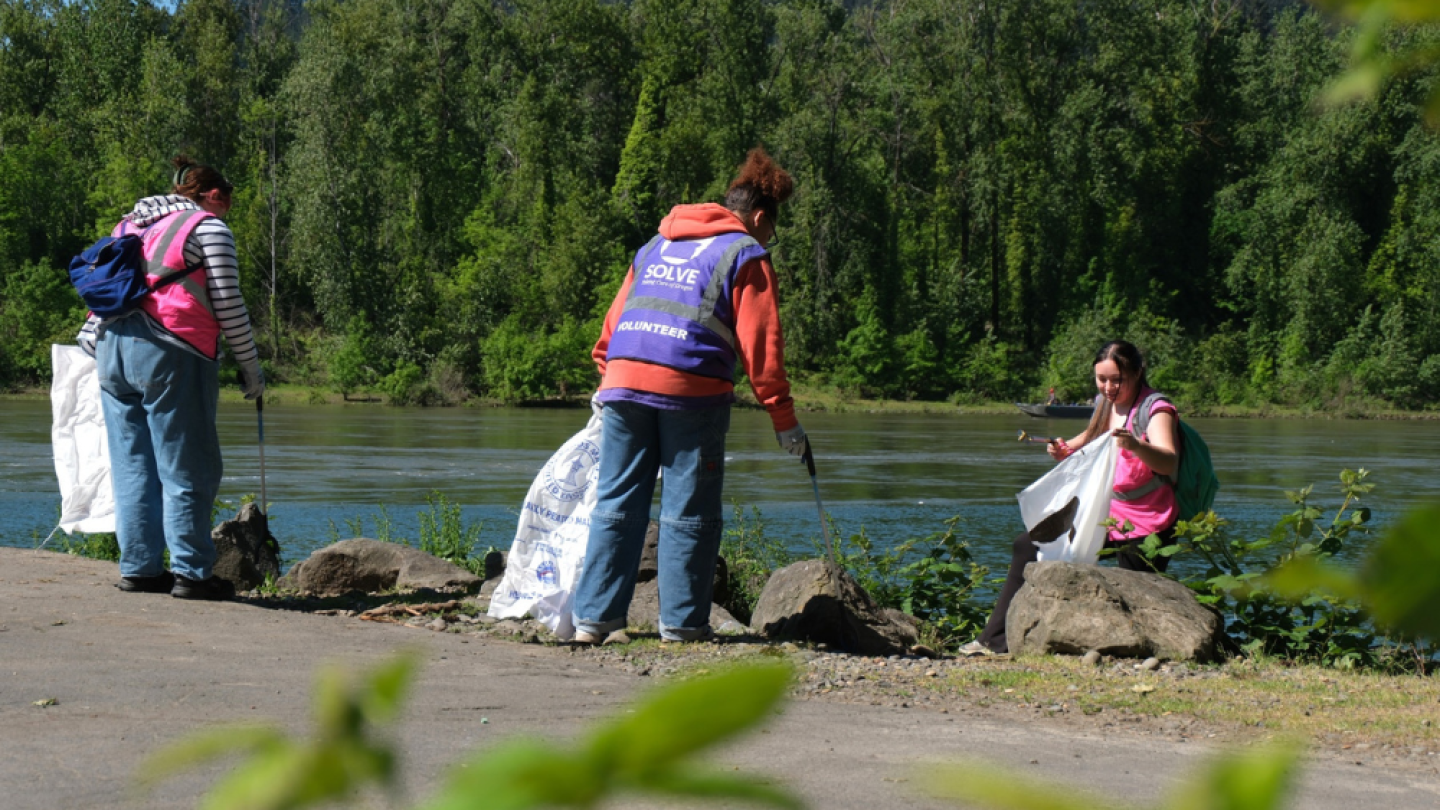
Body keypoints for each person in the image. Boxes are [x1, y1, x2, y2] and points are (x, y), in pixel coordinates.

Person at [571, 147, 805, 645]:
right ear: (759, 216)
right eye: (771, 230)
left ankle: (594, 621)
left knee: (616, 501)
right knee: (690, 508)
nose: (769, 240)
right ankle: (680, 625)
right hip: (691, 391)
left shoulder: (656, 244)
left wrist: (607, 381)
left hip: (623, 383)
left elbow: (611, 329)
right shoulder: (745, 253)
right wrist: (784, 421)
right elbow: (762, 349)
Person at [77, 156, 265, 601]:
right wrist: (251, 368)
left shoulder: (130, 225)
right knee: (189, 465)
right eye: (228, 203)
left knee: (132, 465)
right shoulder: (208, 227)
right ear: (214, 195)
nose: (227, 212)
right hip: (173, 351)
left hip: (110, 348)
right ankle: (193, 573)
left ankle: (140, 569)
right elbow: (228, 304)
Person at [960, 340, 1179, 656]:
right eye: (1101, 379)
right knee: (1028, 544)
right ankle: (994, 641)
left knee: (1136, 590)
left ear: (1138, 372)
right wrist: (1063, 449)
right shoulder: (1106, 404)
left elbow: (1169, 461)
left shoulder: (1155, 410)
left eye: (1117, 379)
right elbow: (1089, 441)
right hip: (1105, 511)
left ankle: (1143, 653)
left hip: (1148, 521)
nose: (1108, 387)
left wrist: (1136, 446)